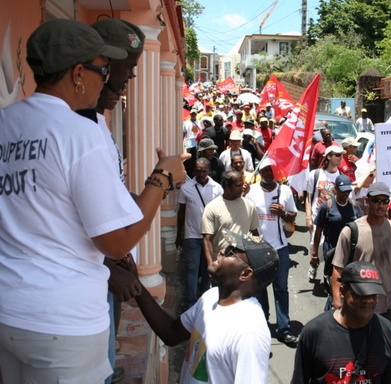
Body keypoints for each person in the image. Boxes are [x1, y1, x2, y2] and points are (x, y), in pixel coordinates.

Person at [0, 19, 188, 383]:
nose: (106, 79)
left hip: (9, 307)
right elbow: (116, 240)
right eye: (103, 69)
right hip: (61, 321)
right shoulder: (79, 133)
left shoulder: (7, 122)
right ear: (77, 74)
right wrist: (161, 178)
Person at [124, 229, 279, 384]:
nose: (222, 251)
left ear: (245, 274)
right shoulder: (210, 297)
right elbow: (170, 333)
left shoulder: (249, 333)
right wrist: (135, 283)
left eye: (231, 252)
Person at [86, 18, 147, 384]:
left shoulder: (99, 123)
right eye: (121, 70)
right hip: (91, 273)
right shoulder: (77, 131)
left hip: (110, 260)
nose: (126, 81)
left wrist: (122, 256)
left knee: (106, 356)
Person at [291, 261, 391, 384]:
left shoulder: (385, 330)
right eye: (361, 293)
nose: (369, 300)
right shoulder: (314, 333)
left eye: (374, 295)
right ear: (342, 292)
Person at [331, 182, 391, 326]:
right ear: (367, 201)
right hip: (358, 303)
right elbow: (337, 269)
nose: (381, 205)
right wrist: (337, 301)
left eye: (385, 201)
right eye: (376, 200)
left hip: (387, 304)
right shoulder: (351, 231)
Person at [245, 158, 298, 344]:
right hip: (258, 250)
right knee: (259, 289)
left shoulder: (285, 191)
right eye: (265, 170)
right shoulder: (251, 192)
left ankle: (284, 328)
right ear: (259, 172)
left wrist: (283, 214)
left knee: (281, 289)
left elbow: (293, 215)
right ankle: (263, 326)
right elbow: (245, 217)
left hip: (281, 249)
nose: (269, 173)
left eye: (272, 170)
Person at [176, 158, 223, 307]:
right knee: (192, 269)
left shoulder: (217, 188)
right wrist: (179, 234)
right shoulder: (186, 188)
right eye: (198, 170)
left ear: (209, 170)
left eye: (204, 170)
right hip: (192, 236)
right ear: (194, 171)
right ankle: (191, 303)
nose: (201, 173)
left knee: (207, 269)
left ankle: (204, 300)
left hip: (210, 237)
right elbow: (181, 213)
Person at [311, 174, 363, 307]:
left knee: (348, 285)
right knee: (333, 285)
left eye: (348, 191)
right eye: (343, 190)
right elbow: (318, 231)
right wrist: (315, 254)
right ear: (335, 188)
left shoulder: (355, 206)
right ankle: (332, 309)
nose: (346, 194)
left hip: (350, 254)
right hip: (332, 253)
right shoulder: (327, 207)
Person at [202, 171, 260, 264]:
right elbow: (207, 239)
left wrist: (258, 254)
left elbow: (255, 234)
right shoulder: (212, 207)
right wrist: (211, 264)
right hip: (222, 263)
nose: (242, 188)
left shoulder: (249, 205)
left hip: (245, 262)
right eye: (238, 185)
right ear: (226, 186)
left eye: (242, 184)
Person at [305, 145, 345, 281]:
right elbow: (308, 197)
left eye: (341, 155)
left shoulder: (341, 177)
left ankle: (328, 275)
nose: (341, 158)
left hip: (333, 219)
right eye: (338, 155)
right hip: (317, 217)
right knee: (315, 246)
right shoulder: (315, 175)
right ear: (329, 156)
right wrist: (308, 217)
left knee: (331, 249)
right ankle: (314, 263)